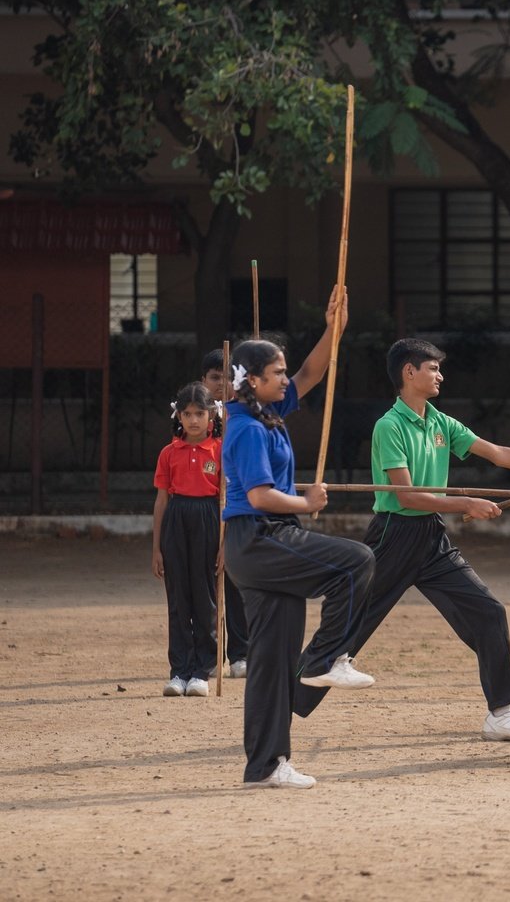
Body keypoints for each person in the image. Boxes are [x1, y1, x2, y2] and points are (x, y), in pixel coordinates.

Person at [291, 338, 510, 742]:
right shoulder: (389, 425)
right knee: (353, 624)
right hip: (393, 534)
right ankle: (284, 703)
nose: (440, 375)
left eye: (438, 368)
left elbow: (499, 453)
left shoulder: (440, 421)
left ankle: (501, 712)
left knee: (488, 612)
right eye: (433, 368)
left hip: (431, 537)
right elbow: (407, 495)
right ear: (409, 372)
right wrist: (465, 503)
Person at [220, 286, 377, 790]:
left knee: (270, 662)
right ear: (253, 382)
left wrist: (336, 328)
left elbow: (312, 373)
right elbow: (263, 497)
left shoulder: (268, 412)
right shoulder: (244, 427)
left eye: (283, 370)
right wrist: (307, 504)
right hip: (260, 535)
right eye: (277, 373)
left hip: (261, 541)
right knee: (355, 562)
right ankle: (325, 659)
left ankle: (266, 765)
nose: (286, 378)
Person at [151, 383, 225, 698]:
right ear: (178, 416)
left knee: (205, 596)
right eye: (187, 414)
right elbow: (161, 501)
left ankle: (201, 671)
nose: (193, 420)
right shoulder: (169, 453)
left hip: (209, 519)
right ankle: (179, 670)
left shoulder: (222, 450)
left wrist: (226, 542)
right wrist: (156, 547)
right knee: (178, 597)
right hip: (176, 521)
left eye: (199, 413)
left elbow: (227, 498)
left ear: (211, 415)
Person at [200, 349, 249, 678]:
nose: (221, 384)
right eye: (214, 378)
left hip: (236, 502)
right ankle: (207, 652)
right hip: (204, 506)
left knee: (237, 579)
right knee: (206, 582)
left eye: (226, 378)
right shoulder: (195, 413)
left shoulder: (242, 412)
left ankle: (241, 652)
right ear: (204, 380)